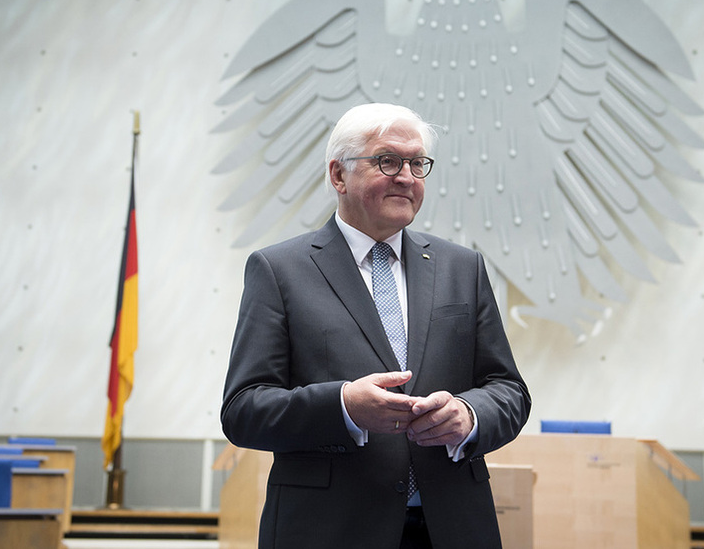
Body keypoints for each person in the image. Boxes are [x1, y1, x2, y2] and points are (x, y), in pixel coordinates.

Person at [221, 103, 531, 549]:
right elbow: (243, 410)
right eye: (387, 160)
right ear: (338, 175)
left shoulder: (463, 268)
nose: (406, 176)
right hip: (328, 531)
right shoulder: (279, 270)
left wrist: (469, 415)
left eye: (417, 163)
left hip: (453, 526)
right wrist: (343, 406)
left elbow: (508, 389)